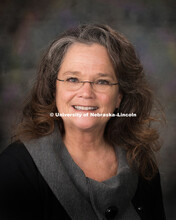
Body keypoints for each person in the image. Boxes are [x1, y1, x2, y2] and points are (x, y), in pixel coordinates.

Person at [0, 23, 166, 220]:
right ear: (54, 90)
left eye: (102, 81)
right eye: (72, 79)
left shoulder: (142, 165)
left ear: (119, 96)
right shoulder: (15, 168)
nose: (86, 93)